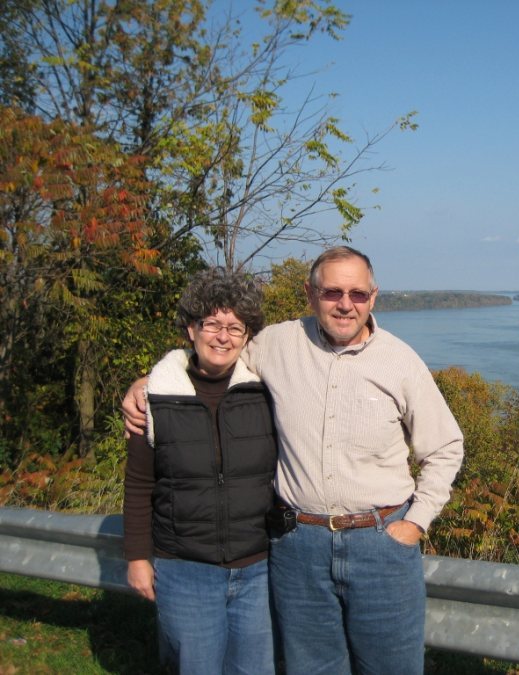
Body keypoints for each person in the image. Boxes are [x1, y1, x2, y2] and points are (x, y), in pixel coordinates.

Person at [124, 246, 465, 675]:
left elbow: (446, 446)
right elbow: (210, 359)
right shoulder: (276, 344)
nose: (345, 304)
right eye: (333, 292)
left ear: (373, 297)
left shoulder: (401, 362)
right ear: (310, 293)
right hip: (299, 547)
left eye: (358, 294)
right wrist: (149, 381)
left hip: (380, 544)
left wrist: (416, 522)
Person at [123, 268, 278, 674]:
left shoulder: (265, 392)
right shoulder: (157, 397)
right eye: (211, 324)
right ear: (191, 329)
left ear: (247, 337)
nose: (222, 336)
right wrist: (138, 558)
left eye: (235, 327)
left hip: (257, 567)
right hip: (185, 567)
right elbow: (139, 484)